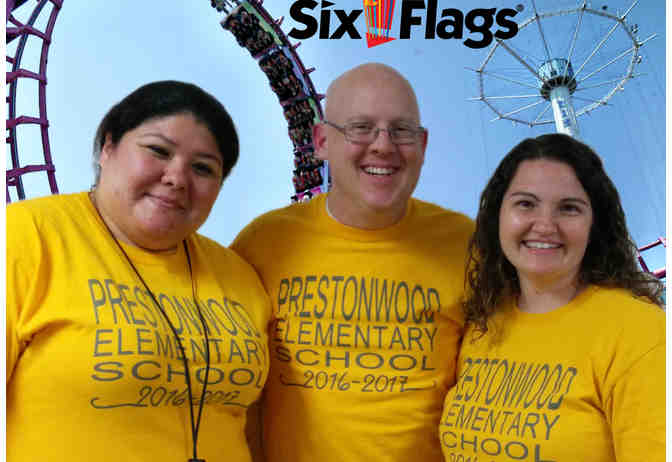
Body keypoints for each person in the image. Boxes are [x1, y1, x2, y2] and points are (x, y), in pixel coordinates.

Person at [6, 81, 271, 462]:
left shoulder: (239, 276)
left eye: (203, 168)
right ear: (108, 148)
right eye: (158, 151)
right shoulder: (24, 236)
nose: (177, 178)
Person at [232, 63, 475, 462]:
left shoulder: (470, 246)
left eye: (401, 130)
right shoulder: (262, 243)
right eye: (360, 128)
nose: (383, 146)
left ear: (423, 145)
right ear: (321, 141)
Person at [439, 133, 665, 462]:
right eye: (526, 204)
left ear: (595, 224)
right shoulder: (479, 324)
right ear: (497, 217)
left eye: (569, 208)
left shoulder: (639, 331)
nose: (545, 225)